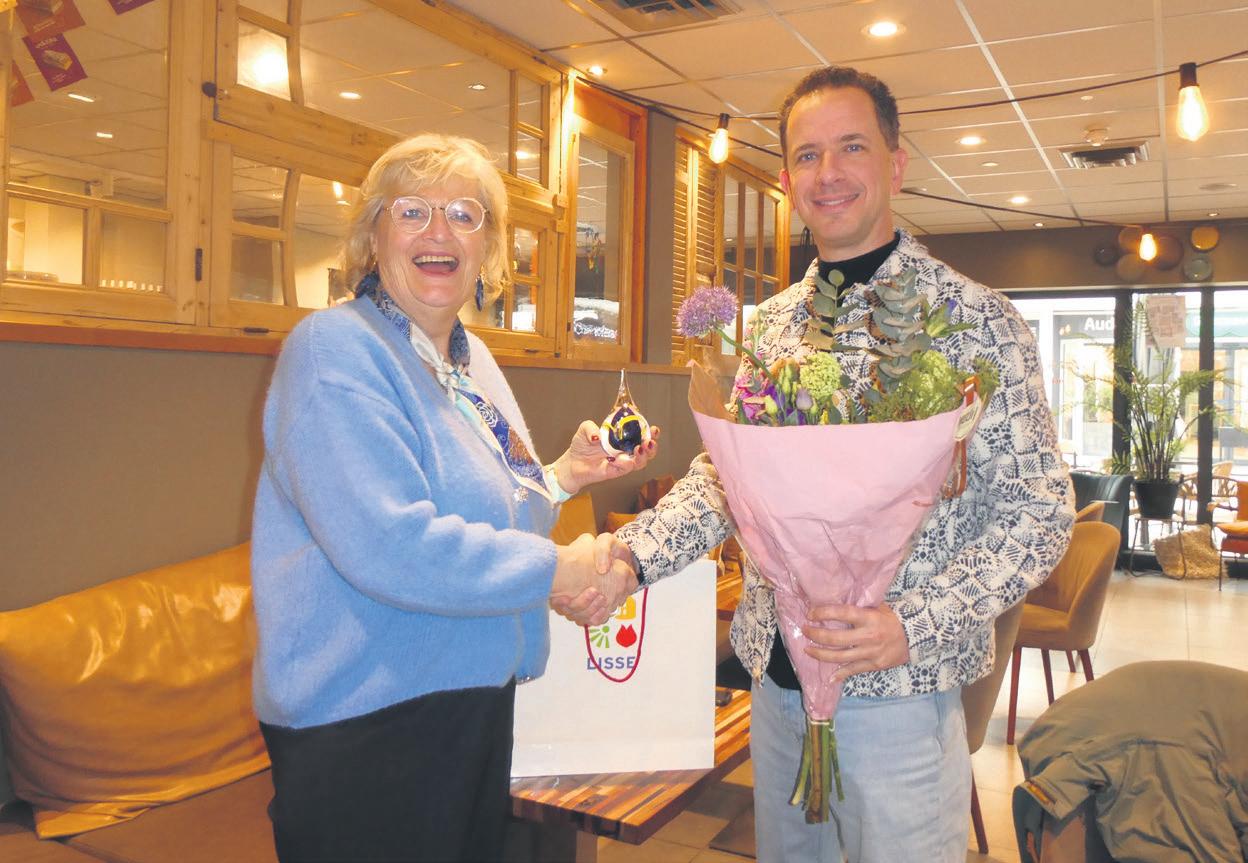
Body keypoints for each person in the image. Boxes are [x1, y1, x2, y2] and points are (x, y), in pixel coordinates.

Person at [612, 67, 1075, 862]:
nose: (827, 173)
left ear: (896, 163)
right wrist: (627, 556)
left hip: (901, 696)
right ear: (787, 179)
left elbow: (1040, 512)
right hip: (776, 690)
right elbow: (724, 482)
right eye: (807, 155)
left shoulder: (977, 321)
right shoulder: (771, 327)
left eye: (851, 147)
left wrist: (914, 621)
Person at [249, 133, 654, 863]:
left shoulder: (468, 359)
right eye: (413, 211)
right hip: (370, 728)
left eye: (464, 215)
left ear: (488, 248)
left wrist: (564, 475)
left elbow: (504, 504)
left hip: (475, 703)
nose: (439, 232)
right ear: (372, 235)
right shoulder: (334, 350)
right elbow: (389, 544)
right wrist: (558, 570)